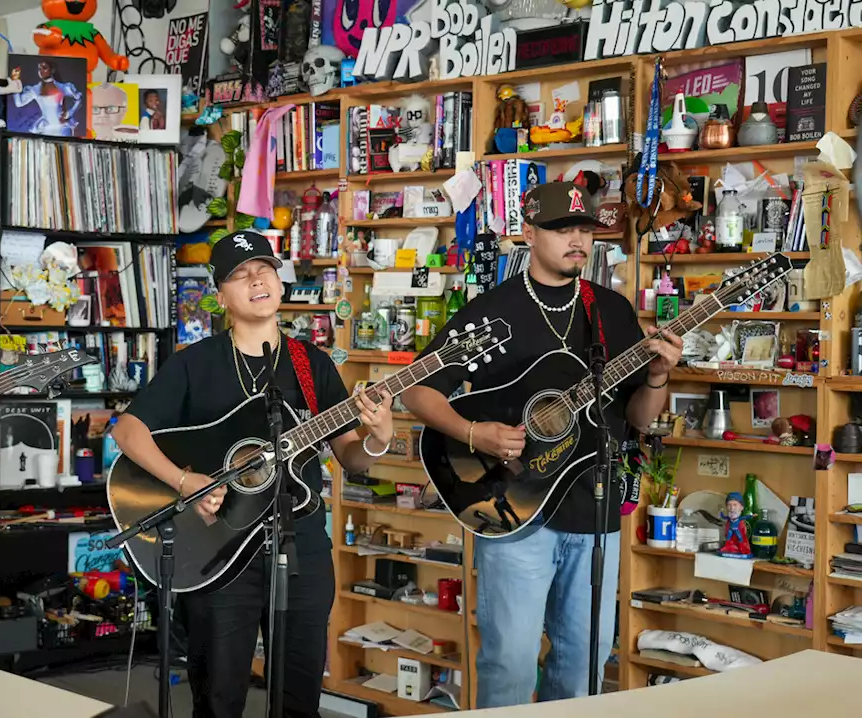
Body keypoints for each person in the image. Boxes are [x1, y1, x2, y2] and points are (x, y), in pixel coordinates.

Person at [401, 182, 682, 707]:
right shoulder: (493, 312)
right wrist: (473, 432)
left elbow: (638, 421)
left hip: (594, 509)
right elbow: (418, 388)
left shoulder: (613, 311)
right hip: (514, 509)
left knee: (584, 664)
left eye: (584, 230)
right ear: (528, 233)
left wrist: (658, 378)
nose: (577, 240)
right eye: (562, 229)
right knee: (509, 662)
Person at [112, 231, 396, 718]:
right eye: (240, 274)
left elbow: (352, 457)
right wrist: (186, 482)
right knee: (219, 699)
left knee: (299, 699)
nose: (257, 279)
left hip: (300, 543)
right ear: (221, 297)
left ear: (280, 282)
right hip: (217, 551)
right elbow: (128, 433)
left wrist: (379, 436)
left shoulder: (313, 366)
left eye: (264, 268)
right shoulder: (193, 364)